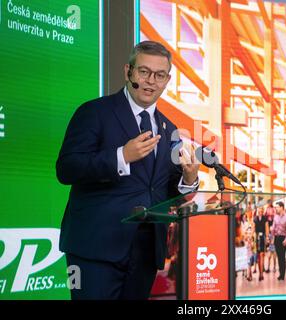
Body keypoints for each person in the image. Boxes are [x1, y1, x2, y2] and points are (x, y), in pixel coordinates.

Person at [56, 41, 200, 300]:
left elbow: (161, 189)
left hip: (145, 252)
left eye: (159, 75)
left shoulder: (169, 128)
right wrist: (121, 156)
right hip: (95, 248)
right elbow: (67, 169)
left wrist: (189, 180)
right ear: (128, 72)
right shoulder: (94, 112)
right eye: (143, 72)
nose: (150, 81)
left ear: (167, 80)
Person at [272, 201, 286, 280]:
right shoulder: (275, 217)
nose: (276, 209)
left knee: (282, 256)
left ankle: (283, 274)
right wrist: (272, 238)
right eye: (275, 207)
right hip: (276, 238)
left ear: (282, 207)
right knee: (279, 256)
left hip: (283, 238)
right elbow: (273, 228)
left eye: (277, 207)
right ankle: (280, 273)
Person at [254, 207, 269, 281]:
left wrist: (267, 237)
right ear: (257, 211)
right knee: (258, 256)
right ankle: (260, 271)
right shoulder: (255, 218)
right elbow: (253, 228)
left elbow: (266, 228)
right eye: (259, 210)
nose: (260, 212)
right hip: (257, 238)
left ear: (263, 211)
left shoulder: (265, 218)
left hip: (262, 238)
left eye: (261, 210)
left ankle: (261, 274)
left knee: (262, 255)